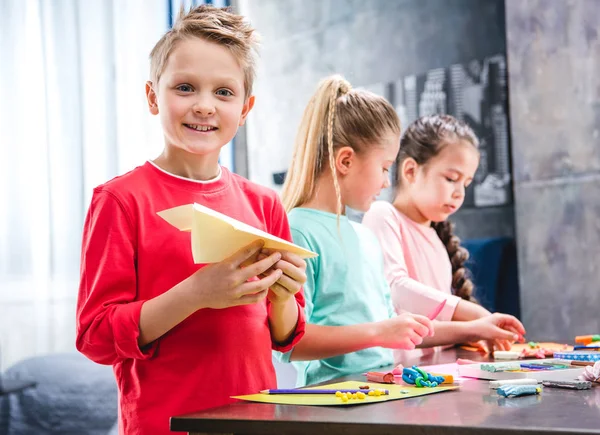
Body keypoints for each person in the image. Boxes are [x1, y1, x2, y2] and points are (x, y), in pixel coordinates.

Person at [75, 5, 306, 434]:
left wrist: (282, 297)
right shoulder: (120, 200)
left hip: (259, 422)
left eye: (224, 92)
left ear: (246, 107)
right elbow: (96, 337)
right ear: (152, 97)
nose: (204, 106)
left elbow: (285, 335)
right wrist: (196, 293)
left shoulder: (265, 204)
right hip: (164, 426)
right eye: (185, 87)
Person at [362, 114, 525, 359]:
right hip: (400, 382)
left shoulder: (437, 239)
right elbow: (396, 287)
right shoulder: (383, 215)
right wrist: (474, 316)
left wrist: (477, 331)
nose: (460, 193)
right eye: (451, 179)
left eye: (466, 183)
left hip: (439, 377)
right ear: (410, 170)